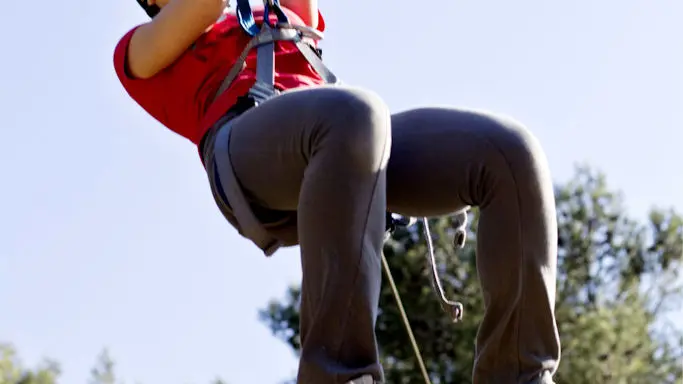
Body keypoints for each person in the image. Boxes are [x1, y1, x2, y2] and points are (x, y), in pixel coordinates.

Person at [113, 0, 562, 382]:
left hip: (349, 139)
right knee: (356, 111)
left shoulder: (276, 12)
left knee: (510, 152)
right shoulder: (138, 49)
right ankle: (340, 375)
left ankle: (520, 373)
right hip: (245, 148)